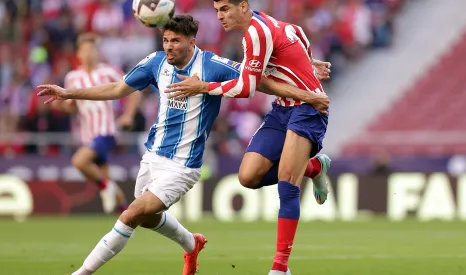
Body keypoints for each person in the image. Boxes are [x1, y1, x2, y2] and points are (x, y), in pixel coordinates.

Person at [37, 15, 329, 275]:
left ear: (191, 41)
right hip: (152, 158)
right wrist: (67, 93)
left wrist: (302, 87)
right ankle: (192, 243)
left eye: (176, 41)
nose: (169, 46)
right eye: (165, 40)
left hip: (182, 166)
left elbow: (256, 81)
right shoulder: (154, 63)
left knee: (129, 214)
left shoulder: (212, 66)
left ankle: (83, 271)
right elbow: (117, 88)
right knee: (148, 218)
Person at [164, 1, 332, 274]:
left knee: (287, 184)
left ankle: (280, 268)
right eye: (218, 10)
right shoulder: (266, 25)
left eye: (226, 9)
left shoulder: (256, 33)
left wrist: (202, 87)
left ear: (243, 6)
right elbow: (297, 34)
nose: (220, 16)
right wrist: (309, 64)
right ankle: (314, 167)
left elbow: (246, 88)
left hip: (308, 110)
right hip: (281, 110)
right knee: (248, 177)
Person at [52, 33, 129, 214]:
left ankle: (106, 188)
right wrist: (60, 105)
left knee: (79, 161)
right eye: (85, 50)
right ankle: (126, 216)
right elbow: (72, 107)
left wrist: (128, 115)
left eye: (92, 49)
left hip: (106, 131)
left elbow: (134, 90)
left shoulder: (109, 71)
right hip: (88, 135)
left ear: (97, 52)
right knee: (108, 182)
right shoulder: (72, 77)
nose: (88, 53)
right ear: (78, 54)